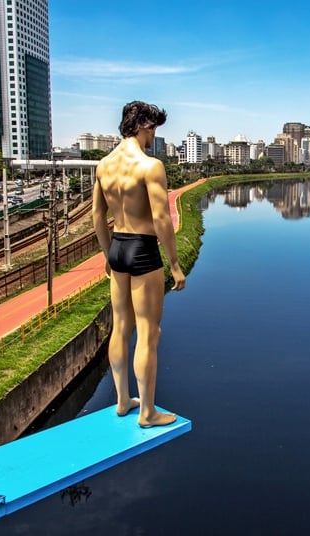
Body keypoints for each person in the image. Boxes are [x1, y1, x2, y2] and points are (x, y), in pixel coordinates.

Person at [92, 101, 186, 428]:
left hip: (117, 246)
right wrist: (174, 264)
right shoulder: (150, 166)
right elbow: (161, 218)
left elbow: (97, 217)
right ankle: (147, 412)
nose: (154, 136)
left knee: (120, 327)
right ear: (144, 126)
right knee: (149, 332)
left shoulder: (103, 166)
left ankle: (121, 400)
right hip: (143, 249)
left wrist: (107, 254)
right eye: (153, 129)